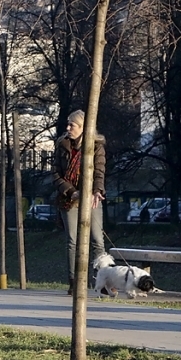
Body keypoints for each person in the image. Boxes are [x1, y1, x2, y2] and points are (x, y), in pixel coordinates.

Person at [53, 110, 106, 295]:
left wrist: (97, 192)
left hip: (91, 197)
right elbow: (56, 174)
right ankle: (74, 282)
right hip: (69, 199)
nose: (68, 128)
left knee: (98, 241)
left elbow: (99, 171)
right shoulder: (62, 145)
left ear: (84, 128)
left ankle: (102, 282)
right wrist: (72, 192)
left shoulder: (96, 145)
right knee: (72, 241)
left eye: (72, 125)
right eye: (67, 124)